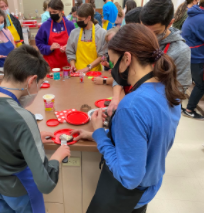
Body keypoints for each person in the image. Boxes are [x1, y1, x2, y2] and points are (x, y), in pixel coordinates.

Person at [73, 23, 186, 213]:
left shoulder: (131, 106)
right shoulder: (169, 91)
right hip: (146, 191)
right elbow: (145, 140)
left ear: (127, 58)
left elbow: (129, 177)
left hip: (125, 196)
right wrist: (95, 135)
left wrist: (100, 134)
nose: (111, 69)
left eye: (113, 62)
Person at [0, 45, 71, 213]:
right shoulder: (23, 117)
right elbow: (45, 183)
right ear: (31, 81)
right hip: (20, 191)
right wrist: (57, 157)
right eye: (39, 84)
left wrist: (32, 137)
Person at [108, 0, 192, 116]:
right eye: (144, 29)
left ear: (170, 23)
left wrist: (140, 102)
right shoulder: (137, 38)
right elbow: (121, 70)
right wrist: (116, 98)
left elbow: (178, 93)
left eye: (155, 32)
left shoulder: (181, 51)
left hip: (155, 112)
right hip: (130, 103)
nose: (148, 36)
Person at [66, 3, 107, 73]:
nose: (78, 22)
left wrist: (88, 68)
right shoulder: (74, 33)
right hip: (78, 72)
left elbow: (103, 56)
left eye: (80, 19)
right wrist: (72, 65)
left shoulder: (101, 33)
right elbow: (70, 52)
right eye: (77, 19)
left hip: (94, 73)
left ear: (89, 18)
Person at [35, 0, 75, 70]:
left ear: (61, 11)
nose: (52, 14)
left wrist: (68, 47)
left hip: (67, 65)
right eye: (50, 12)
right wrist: (49, 48)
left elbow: (76, 44)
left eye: (54, 12)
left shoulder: (70, 25)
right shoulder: (45, 26)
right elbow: (39, 43)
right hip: (50, 66)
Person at [181, 1, 204, 120]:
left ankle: (177, 104)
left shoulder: (195, 14)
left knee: (185, 80)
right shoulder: (202, 18)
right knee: (201, 85)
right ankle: (189, 110)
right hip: (196, 57)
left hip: (189, 53)